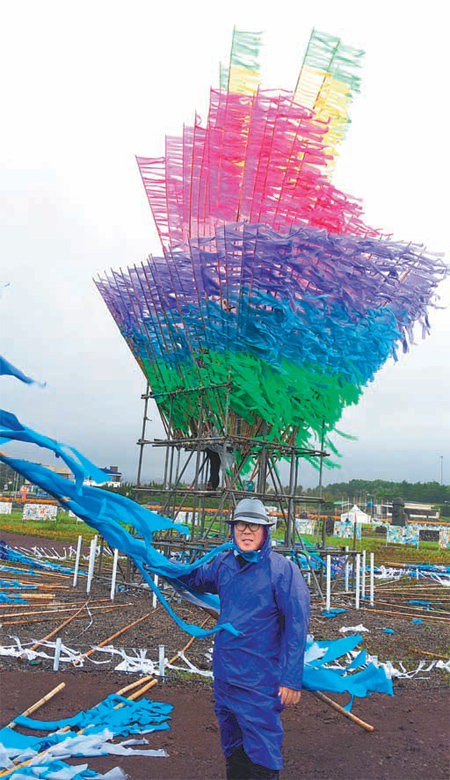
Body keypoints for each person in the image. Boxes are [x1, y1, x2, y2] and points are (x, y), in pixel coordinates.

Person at [179, 498, 310, 779]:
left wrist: (290, 678)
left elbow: (297, 627)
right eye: (241, 525)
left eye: (253, 525)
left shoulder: (282, 571)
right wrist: (158, 564)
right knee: (232, 746)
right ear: (233, 529)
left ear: (265, 531)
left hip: (260, 679)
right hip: (226, 675)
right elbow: (195, 578)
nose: (246, 531)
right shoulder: (224, 564)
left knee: (262, 747)